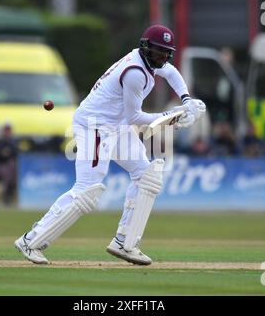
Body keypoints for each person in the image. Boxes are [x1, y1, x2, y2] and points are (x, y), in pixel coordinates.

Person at [14, 24, 206, 265]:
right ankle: (30, 241)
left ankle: (125, 243)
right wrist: (172, 118)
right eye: (157, 53)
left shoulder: (152, 62)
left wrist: (186, 99)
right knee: (87, 190)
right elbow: (135, 117)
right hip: (95, 126)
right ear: (145, 48)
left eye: (165, 54)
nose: (161, 58)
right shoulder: (136, 72)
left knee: (147, 176)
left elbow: (170, 72)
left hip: (116, 125)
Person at [0, 122, 18, 205]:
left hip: (11, 166)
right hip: (0, 166)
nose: (8, 132)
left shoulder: (13, 142)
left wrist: (7, 153)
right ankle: (6, 195)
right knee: (8, 172)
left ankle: (10, 194)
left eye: (9, 130)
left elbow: (15, 154)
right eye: (6, 130)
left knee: (13, 169)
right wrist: (4, 154)